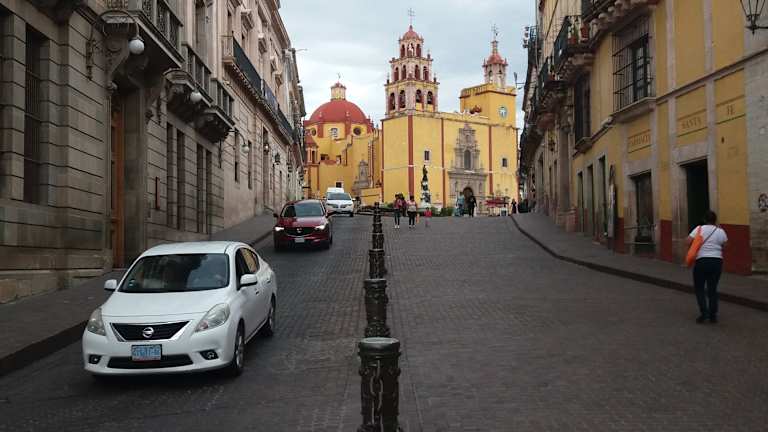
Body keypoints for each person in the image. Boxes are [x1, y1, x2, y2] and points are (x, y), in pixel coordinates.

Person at [686, 210, 728, 324]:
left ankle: (704, 313)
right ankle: (713, 315)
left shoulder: (699, 229)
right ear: (715, 220)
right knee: (712, 289)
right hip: (716, 261)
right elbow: (725, 245)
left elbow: (688, 241)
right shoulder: (720, 231)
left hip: (702, 261)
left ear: (705, 219)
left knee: (699, 288)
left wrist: (696, 244)